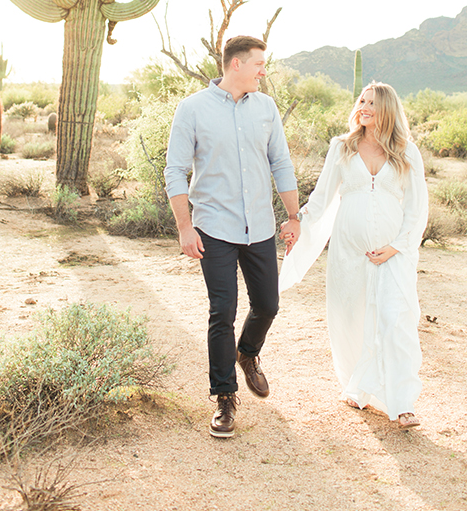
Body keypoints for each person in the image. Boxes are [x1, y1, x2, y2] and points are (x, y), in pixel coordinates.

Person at [164, 35, 299, 438]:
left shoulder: (266, 107)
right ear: (235, 64)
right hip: (214, 228)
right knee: (221, 311)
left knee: (268, 305)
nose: (263, 71)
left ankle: (248, 353)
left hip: (259, 226)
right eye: (259, 63)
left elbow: (281, 162)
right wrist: (185, 227)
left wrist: (294, 216)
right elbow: (174, 170)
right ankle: (225, 397)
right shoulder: (192, 109)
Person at [279, 82, 428, 429]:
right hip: (349, 249)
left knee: (396, 320)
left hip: (393, 252)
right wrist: (297, 221)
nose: (364, 107)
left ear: (387, 109)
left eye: (372, 103)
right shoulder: (342, 148)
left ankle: (403, 402)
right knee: (350, 317)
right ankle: (357, 387)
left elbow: (418, 210)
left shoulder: (407, 152)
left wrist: (398, 246)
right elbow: (322, 198)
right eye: (362, 101)